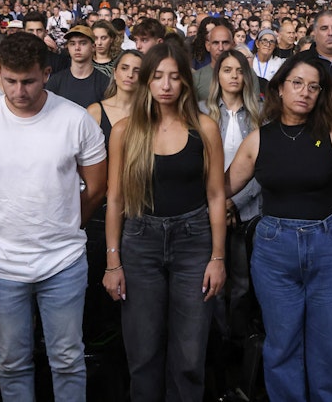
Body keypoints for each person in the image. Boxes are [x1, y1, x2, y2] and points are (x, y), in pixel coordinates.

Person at [0, 32, 107, 401]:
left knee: (68, 359)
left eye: (29, 81)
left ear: (45, 72)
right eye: (10, 81)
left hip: (63, 263)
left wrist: (67, 225)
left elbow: (97, 187)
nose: (19, 90)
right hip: (2, 265)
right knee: (11, 362)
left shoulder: (76, 120)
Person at [225, 54, 332, 401]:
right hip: (275, 249)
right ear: (280, 89)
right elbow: (220, 188)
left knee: (329, 344)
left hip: (330, 246)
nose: (305, 92)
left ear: (321, 94)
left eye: (313, 87)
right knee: (283, 344)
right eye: (297, 83)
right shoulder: (259, 139)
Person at [101, 41, 225, 401]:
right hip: (140, 241)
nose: (166, 85)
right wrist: (113, 261)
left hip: (193, 240)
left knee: (189, 355)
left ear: (186, 81)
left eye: (174, 77)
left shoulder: (204, 128)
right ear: (146, 82)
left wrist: (218, 258)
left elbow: (216, 195)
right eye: (157, 77)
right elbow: (115, 199)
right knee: (143, 352)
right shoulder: (125, 130)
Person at [199, 48, 264, 346]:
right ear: (218, 76)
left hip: (247, 212)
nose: (234, 76)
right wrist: (218, 203)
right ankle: (216, 339)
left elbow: (263, 168)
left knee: (241, 281)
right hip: (208, 210)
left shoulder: (260, 114)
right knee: (210, 279)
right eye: (227, 70)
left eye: (239, 70)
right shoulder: (202, 112)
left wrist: (233, 203)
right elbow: (197, 164)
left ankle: (237, 342)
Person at [86, 49, 142, 147]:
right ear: (115, 73)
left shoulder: (150, 112)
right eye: (124, 68)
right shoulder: (95, 111)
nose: (130, 75)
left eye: (137, 71)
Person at [45, 25, 110, 108]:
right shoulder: (55, 81)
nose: (77, 48)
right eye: (72, 43)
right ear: (67, 47)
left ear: (93, 47)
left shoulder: (105, 83)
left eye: (83, 43)